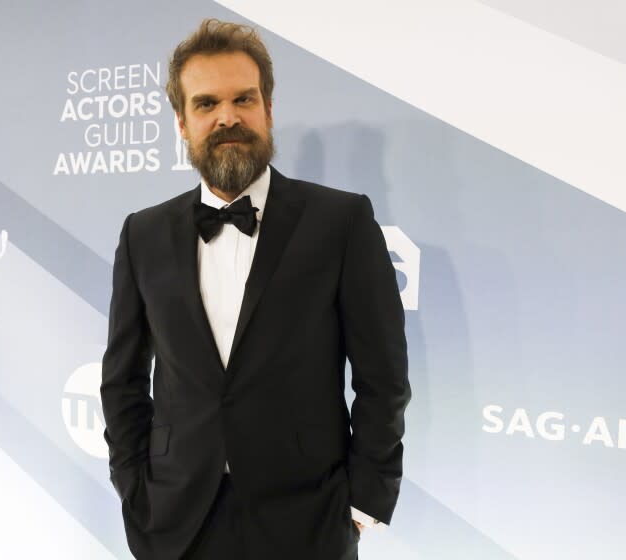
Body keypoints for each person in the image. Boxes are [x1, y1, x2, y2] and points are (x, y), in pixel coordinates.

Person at [100, 18, 410, 560]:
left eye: (244, 98)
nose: (227, 117)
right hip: (175, 523)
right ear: (181, 121)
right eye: (206, 104)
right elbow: (122, 380)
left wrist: (365, 501)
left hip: (307, 519)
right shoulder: (142, 233)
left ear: (268, 108)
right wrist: (134, 491)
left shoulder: (341, 221)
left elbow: (383, 376)